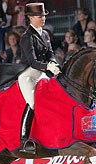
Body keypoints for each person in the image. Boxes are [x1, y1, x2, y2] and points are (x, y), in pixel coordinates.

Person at [18, 2, 59, 154]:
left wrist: (53, 62)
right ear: (30, 18)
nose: (42, 19)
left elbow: (50, 53)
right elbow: (33, 61)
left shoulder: (45, 34)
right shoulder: (26, 37)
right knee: (33, 102)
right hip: (28, 74)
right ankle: (24, 139)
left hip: (41, 72)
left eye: (43, 16)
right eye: (39, 16)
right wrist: (47, 67)